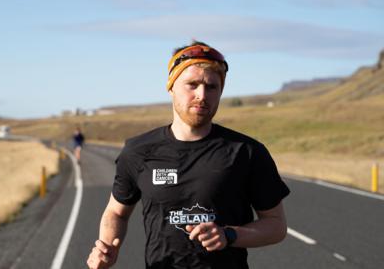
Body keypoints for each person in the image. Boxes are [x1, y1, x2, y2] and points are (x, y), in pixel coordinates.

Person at [87, 41, 290, 269]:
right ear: (171, 86)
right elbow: (116, 212)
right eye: (192, 84)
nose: (202, 95)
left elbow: (276, 226)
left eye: (211, 87)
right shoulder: (138, 151)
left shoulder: (247, 152)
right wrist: (106, 247)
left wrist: (229, 235)